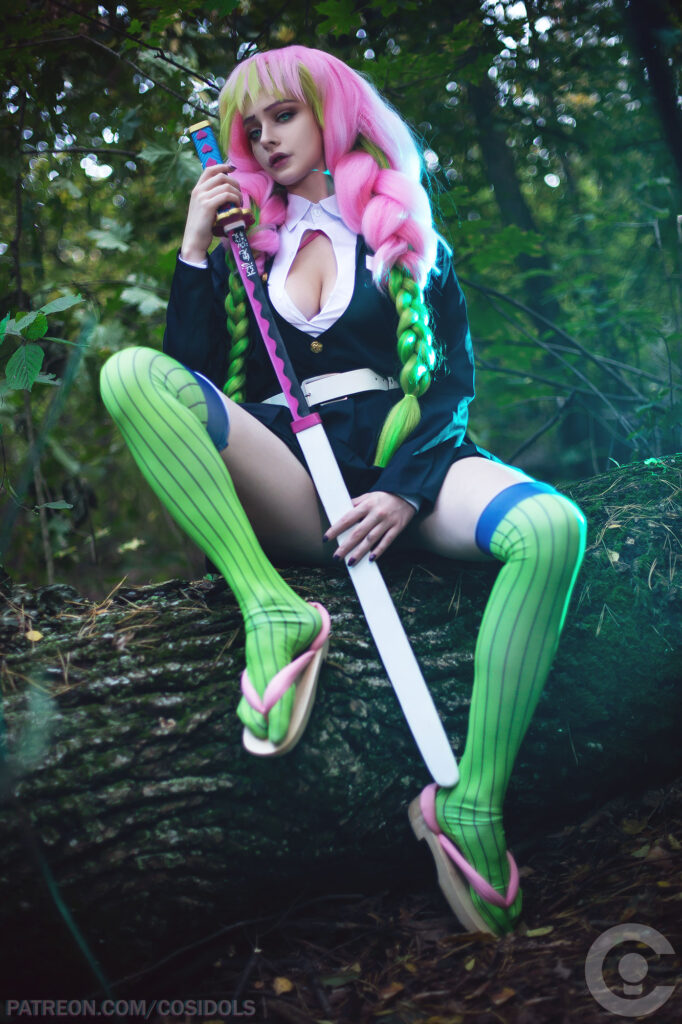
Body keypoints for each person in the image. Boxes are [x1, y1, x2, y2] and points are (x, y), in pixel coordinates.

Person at [100, 45, 586, 937]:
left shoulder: (403, 227)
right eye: (250, 126)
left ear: (333, 112)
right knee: (130, 374)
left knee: (553, 527)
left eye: (283, 114)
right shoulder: (248, 246)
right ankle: (273, 610)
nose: (265, 137)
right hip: (293, 473)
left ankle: (471, 801)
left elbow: (449, 387)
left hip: (406, 465)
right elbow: (190, 384)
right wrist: (196, 249)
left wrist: (404, 494)